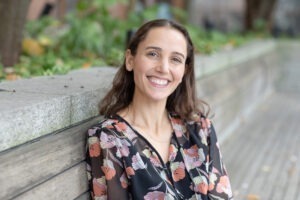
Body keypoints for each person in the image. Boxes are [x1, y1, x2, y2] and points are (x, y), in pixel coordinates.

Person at [86, 19, 233, 200]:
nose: (163, 68)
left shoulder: (200, 129)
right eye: (153, 54)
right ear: (130, 60)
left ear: (184, 71)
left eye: (175, 59)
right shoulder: (109, 139)